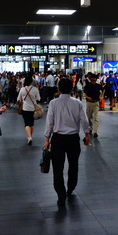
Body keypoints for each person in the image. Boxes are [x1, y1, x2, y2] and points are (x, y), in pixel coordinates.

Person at [44, 78, 90, 206]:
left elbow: (50, 122)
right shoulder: (78, 103)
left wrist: (47, 138)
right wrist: (87, 134)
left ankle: (61, 194)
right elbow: (84, 120)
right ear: (71, 88)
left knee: (57, 168)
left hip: (58, 139)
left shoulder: (53, 103)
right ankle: (71, 187)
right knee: (73, 164)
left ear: (58, 89)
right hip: (73, 138)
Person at [17, 75, 41, 145]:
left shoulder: (22, 89)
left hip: (25, 108)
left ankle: (29, 137)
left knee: (27, 123)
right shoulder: (35, 89)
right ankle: (30, 136)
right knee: (31, 123)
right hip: (33, 108)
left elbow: (18, 99)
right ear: (32, 82)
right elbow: (38, 99)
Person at [84, 73, 102, 137]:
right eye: (92, 80)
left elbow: (102, 90)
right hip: (89, 103)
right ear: (90, 80)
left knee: (96, 117)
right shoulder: (87, 86)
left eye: (94, 80)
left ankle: (95, 131)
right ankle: (90, 127)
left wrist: (100, 96)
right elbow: (85, 93)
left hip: (96, 103)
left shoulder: (98, 86)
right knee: (88, 117)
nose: (93, 82)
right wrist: (88, 97)